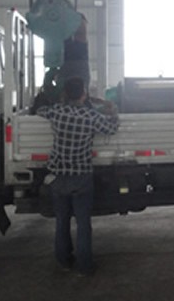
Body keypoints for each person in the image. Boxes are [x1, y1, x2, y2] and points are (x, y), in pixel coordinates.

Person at [37, 76, 119, 275]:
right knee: (83, 224)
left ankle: (64, 261)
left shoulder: (56, 112)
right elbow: (111, 129)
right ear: (84, 94)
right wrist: (112, 110)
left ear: (65, 94)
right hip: (81, 177)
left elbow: (40, 110)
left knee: (62, 221)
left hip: (58, 176)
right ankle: (84, 266)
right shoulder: (90, 116)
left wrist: (59, 101)